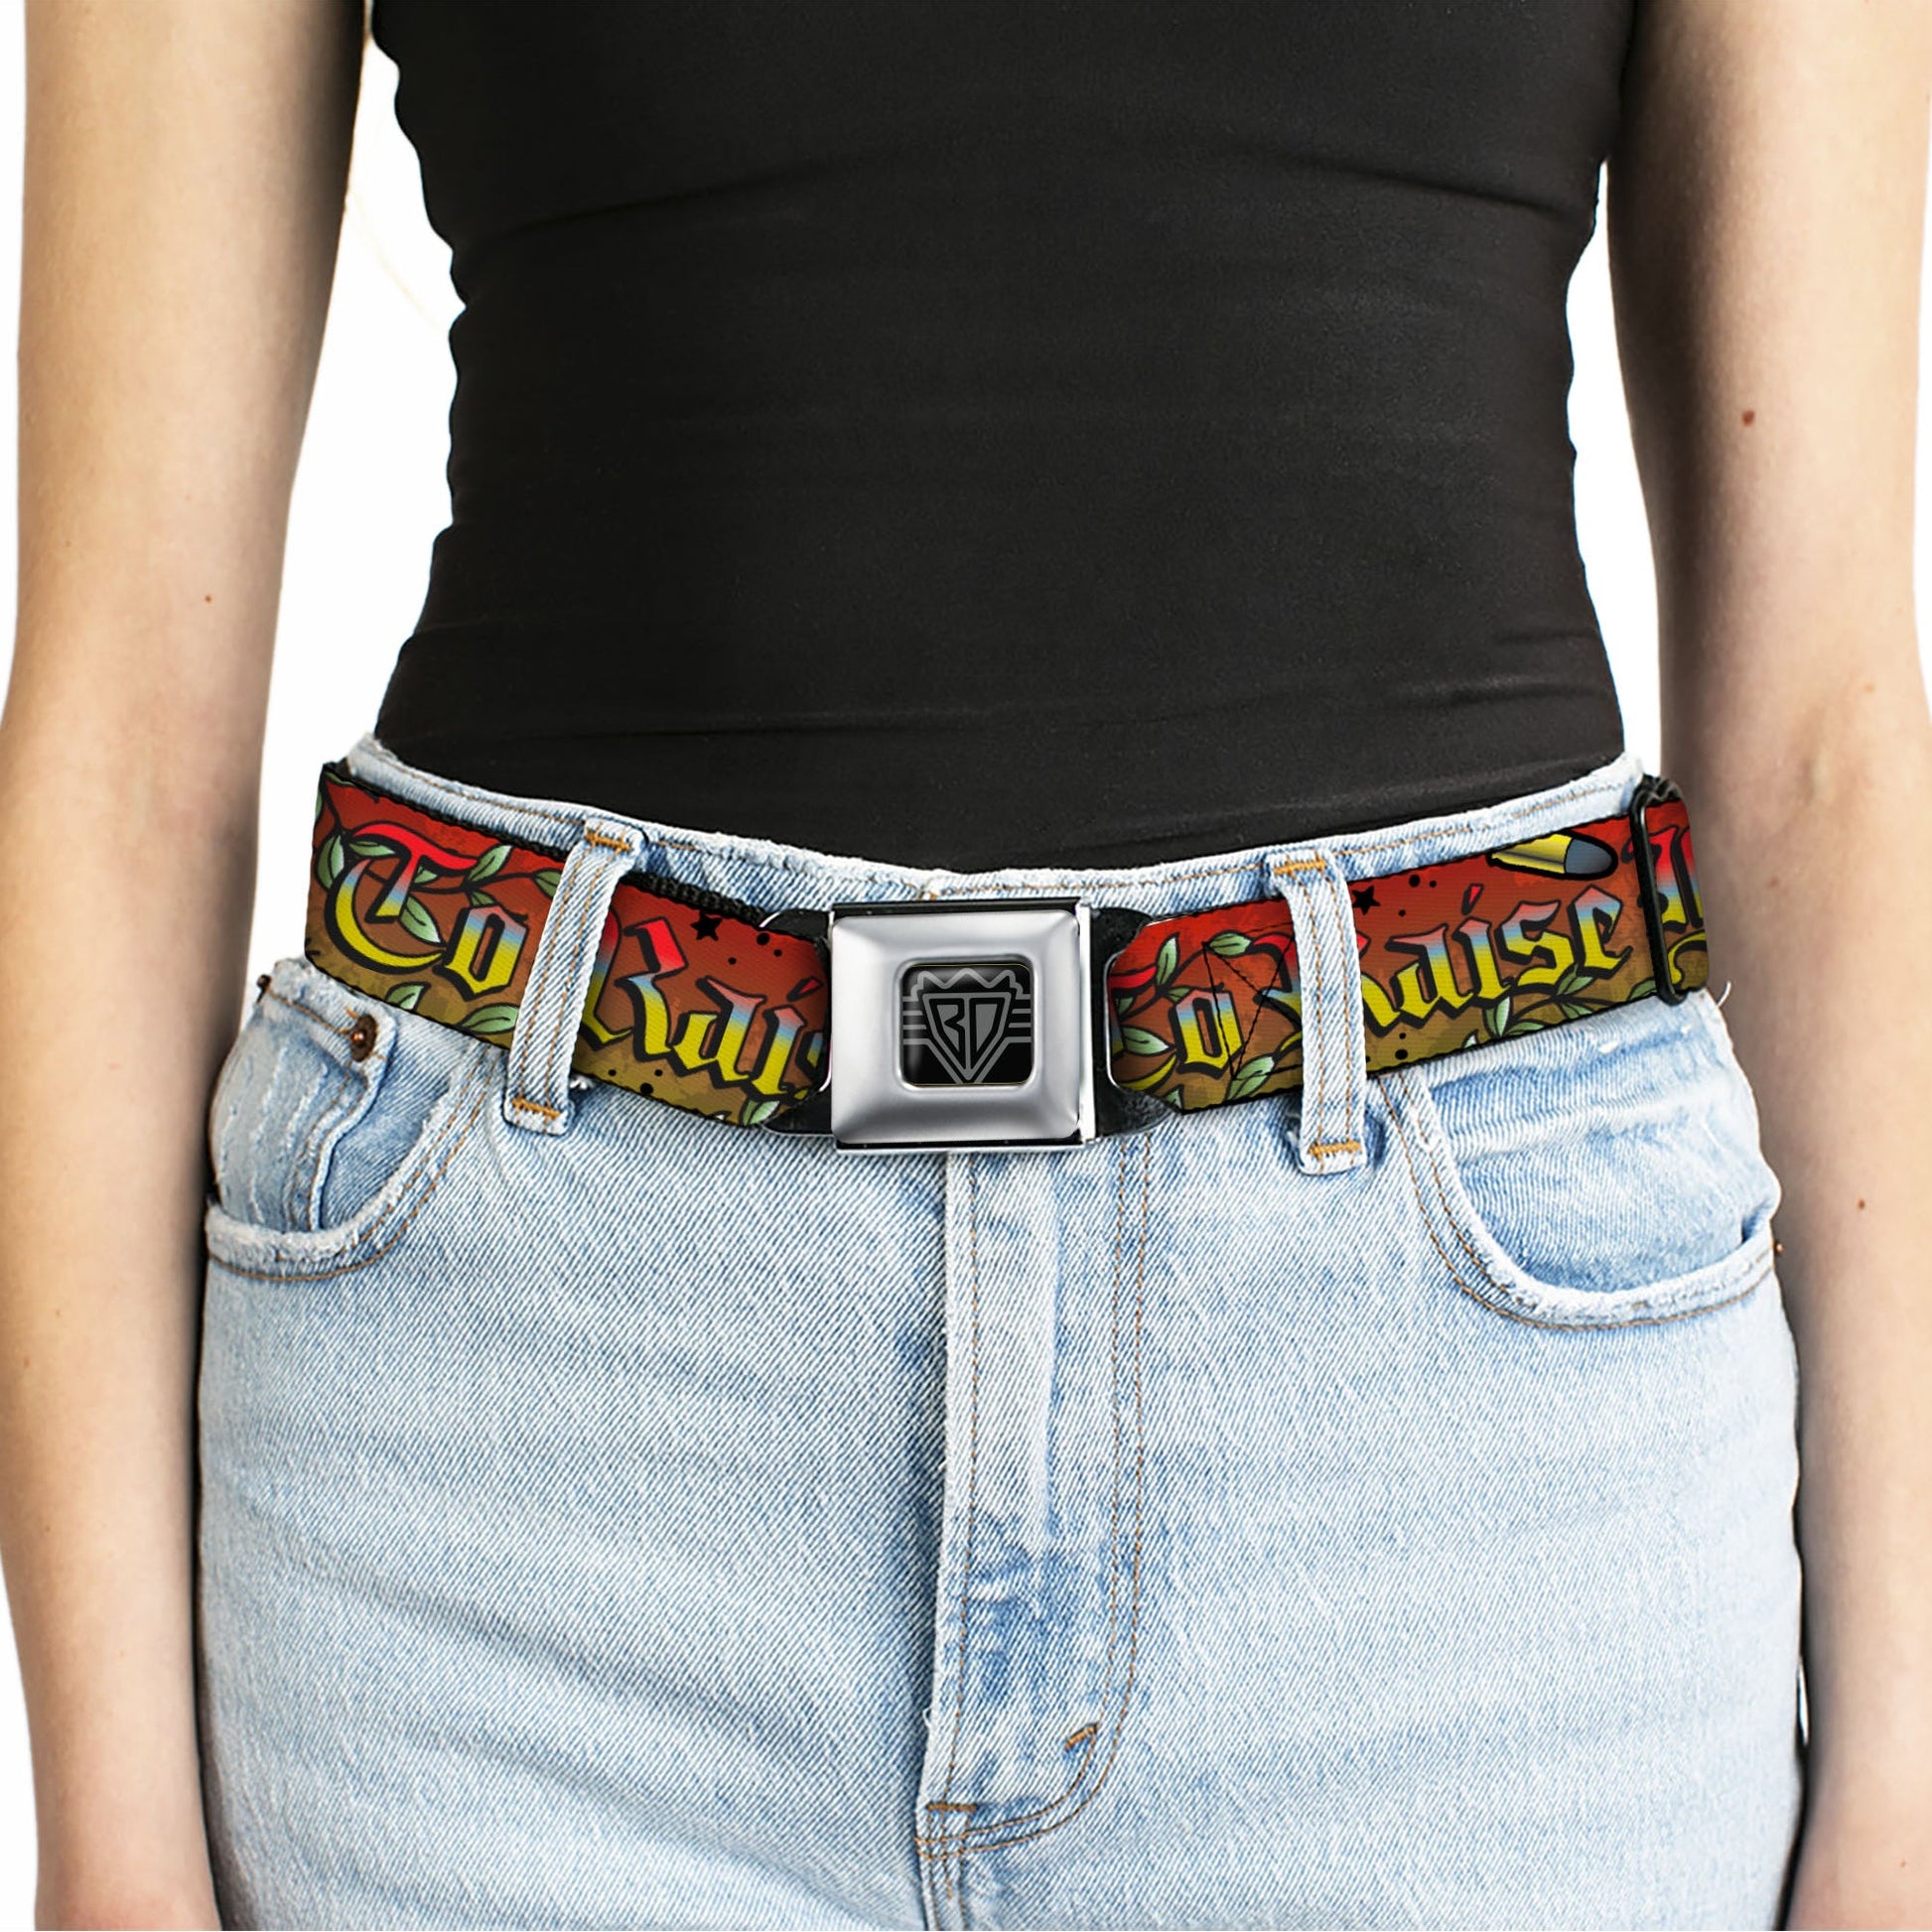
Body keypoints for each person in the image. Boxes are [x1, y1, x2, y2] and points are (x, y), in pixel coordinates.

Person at [1, 0, 1927, 1925]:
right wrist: (109, 1844)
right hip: (517, 1505)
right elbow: (119, 753)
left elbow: (1823, 740)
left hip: (1474, 1517)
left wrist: (1907, 1795)